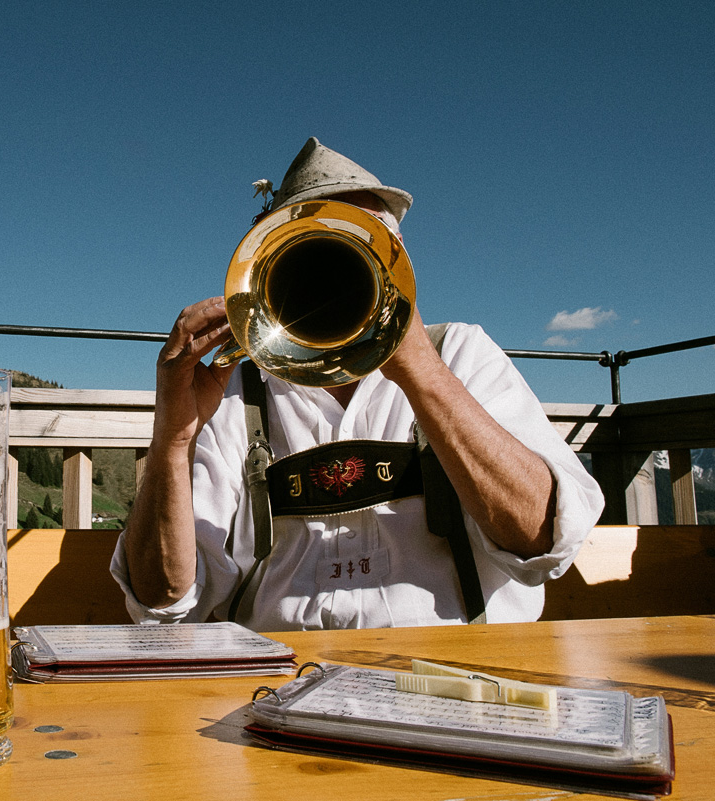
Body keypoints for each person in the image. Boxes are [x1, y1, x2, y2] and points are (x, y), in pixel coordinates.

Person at [112, 137, 605, 631]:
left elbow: (543, 541)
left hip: (459, 675)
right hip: (279, 676)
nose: (333, 278)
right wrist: (174, 440)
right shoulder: (237, 387)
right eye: (317, 248)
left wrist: (420, 371)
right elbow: (162, 599)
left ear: (397, 259)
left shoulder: (459, 353)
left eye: (360, 239)